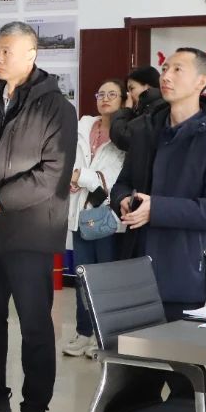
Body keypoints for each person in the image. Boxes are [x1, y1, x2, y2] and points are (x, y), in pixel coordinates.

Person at [104, 47, 206, 412]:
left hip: (183, 270)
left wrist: (159, 209)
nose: (167, 75)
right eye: (166, 68)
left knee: (182, 370)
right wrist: (123, 199)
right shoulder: (148, 131)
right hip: (137, 266)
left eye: (177, 69)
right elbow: (125, 181)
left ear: (202, 82)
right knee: (139, 365)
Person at [0, 21, 76, 412]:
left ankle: (35, 406)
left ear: (31, 54)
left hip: (31, 229)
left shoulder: (55, 107)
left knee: (34, 323)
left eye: (7, 51)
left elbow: (53, 172)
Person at [62, 79, 126, 359]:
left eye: (112, 94)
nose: (105, 98)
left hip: (108, 217)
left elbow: (116, 179)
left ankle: (105, 336)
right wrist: (72, 177)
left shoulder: (126, 135)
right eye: (101, 94)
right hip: (80, 213)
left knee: (106, 279)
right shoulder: (83, 127)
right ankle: (84, 332)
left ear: (123, 99)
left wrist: (82, 177)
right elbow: (69, 161)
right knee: (82, 277)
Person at [109, 66, 161, 151]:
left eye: (131, 89)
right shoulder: (146, 109)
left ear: (147, 87)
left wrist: (126, 110)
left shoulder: (157, 109)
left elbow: (123, 138)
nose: (129, 95)